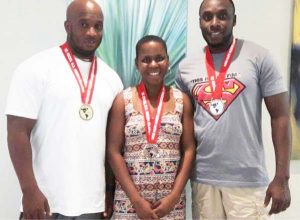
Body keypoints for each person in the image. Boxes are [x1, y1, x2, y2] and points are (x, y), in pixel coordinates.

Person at [5, 0, 123, 219]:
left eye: (98, 26)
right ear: (68, 26)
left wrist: (108, 192)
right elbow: (17, 132)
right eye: (84, 24)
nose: (92, 32)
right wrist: (29, 190)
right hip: (45, 202)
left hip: (91, 204)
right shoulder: (36, 68)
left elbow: (111, 145)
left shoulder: (112, 79)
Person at [175, 0, 291, 219]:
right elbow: (183, 125)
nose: (214, 23)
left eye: (222, 16)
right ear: (200, 21)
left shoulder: (259, 57)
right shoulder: (185, 69)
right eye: (207, 17)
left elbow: (281, 117)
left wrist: (282, 177)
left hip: (246, 181)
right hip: (203, 180)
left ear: (234, 19)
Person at [107, 35, 196, 219]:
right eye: (146, 60)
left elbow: (189, 149)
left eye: (159, 58)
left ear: (168, 60)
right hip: (130, 203)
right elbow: (113, 152)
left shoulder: (182, 100)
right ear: (136, 63)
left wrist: (174, 197)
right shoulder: (122, 101)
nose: (153, 65)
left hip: (170, 204)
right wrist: (137, 201)